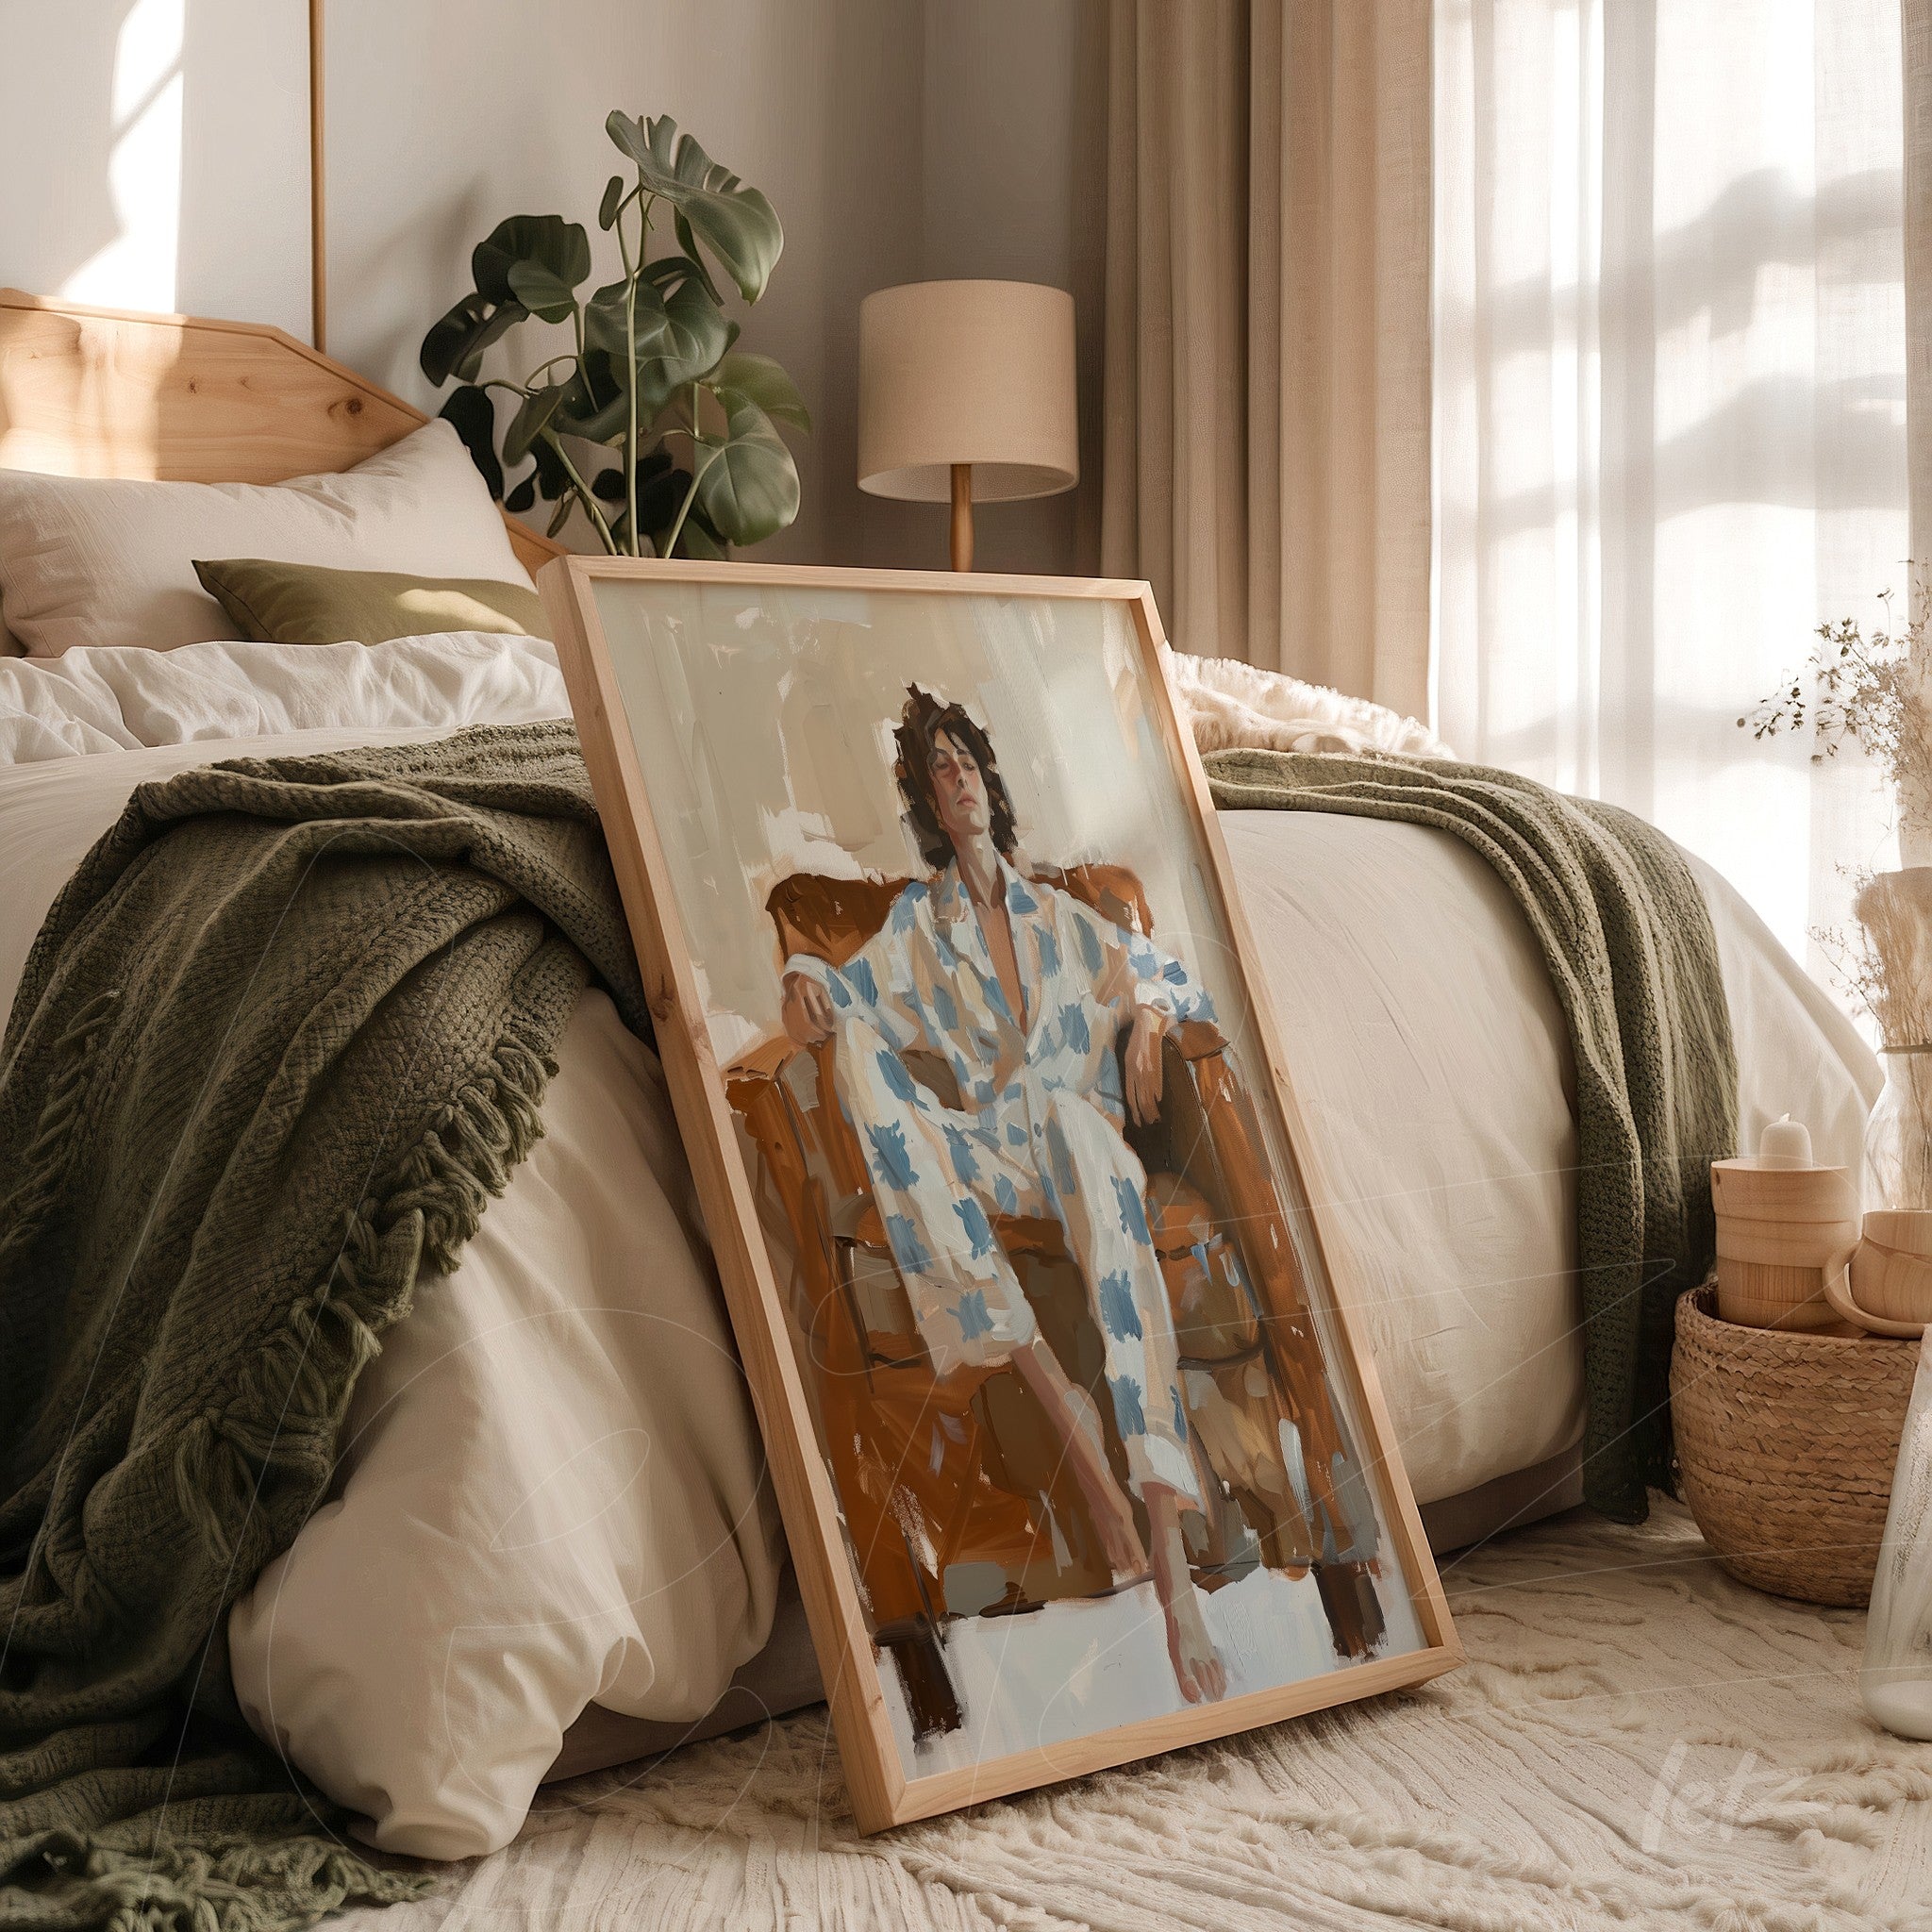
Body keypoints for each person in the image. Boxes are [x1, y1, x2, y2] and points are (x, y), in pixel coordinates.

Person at [779, 687, 1228, 1704]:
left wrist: (1148, 1020)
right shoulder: (916, 927)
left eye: (967, 762)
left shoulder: (1067, 919)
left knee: (1087, 1141)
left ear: (989, 785)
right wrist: (803, 975)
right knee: (858, 1053)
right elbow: (839, 1002)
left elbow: (1176, 979)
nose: (959, 779)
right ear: (928, 806)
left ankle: (1163, 1542)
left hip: (1071, 1136)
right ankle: (1058, 1402)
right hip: (986, 1144)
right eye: (938, 770)